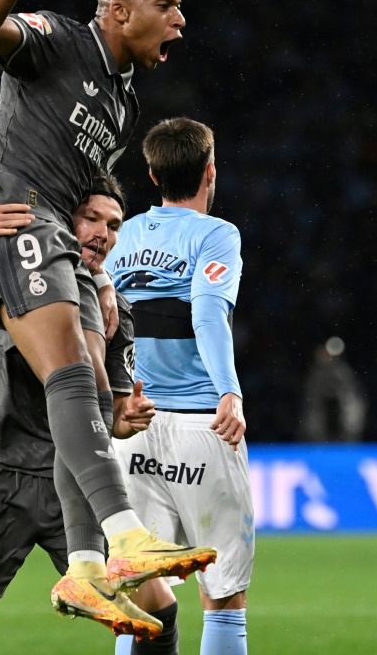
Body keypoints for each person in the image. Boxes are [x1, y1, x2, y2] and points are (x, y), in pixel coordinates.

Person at [0, 0, 214, 637]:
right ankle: (124, 536)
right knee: (69, 372)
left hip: (57, 234)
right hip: (16, 217)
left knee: (93, 388)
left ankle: (87, 568)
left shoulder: (123, 104)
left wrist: (97, 262)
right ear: (119, 11)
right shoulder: (60, 40)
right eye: (168, 4)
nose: (181, 20)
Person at [0, 172, 166, 652]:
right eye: (90, 218)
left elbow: (109, 416)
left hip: (75, 481)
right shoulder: (9, 266)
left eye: (113, 224)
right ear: (64, 217)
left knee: (159, 608)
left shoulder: (114, 311)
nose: (102, 234)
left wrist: (123, 421)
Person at [105, 118, 255, 655]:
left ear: (151, 175)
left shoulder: (119, 235)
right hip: (199, 422)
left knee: (141, 590)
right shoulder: (216, 234)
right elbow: (209, 313)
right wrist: (228, 391)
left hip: (131, 425)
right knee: (224, 597)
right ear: (210, 171)